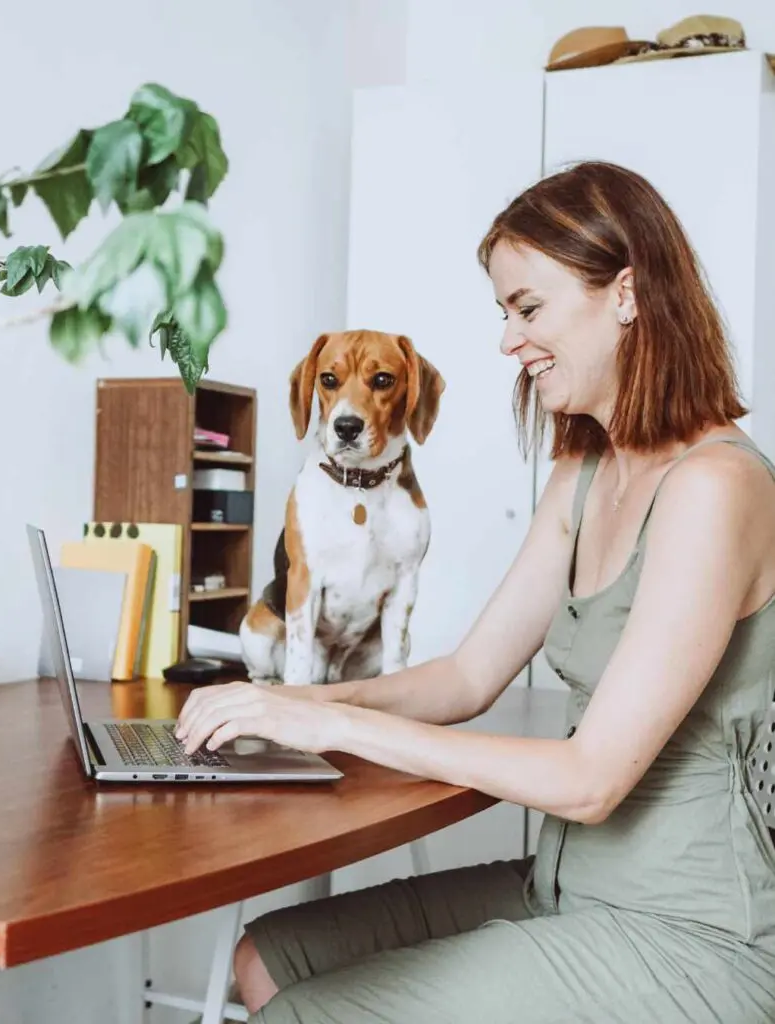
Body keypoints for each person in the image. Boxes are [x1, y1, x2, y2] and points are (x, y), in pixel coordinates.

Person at [174, 160, 775, 1023]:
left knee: (304, 1012)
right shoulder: (583, 471)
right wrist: (278, 703)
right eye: (503, 313)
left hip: (693, 934)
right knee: (264, 957)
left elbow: (589, 779)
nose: (507, 341)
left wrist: (334, 723)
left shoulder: (714, 487)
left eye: (527, 309)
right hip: (565, 882)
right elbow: (464, 679)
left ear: (627, 294)